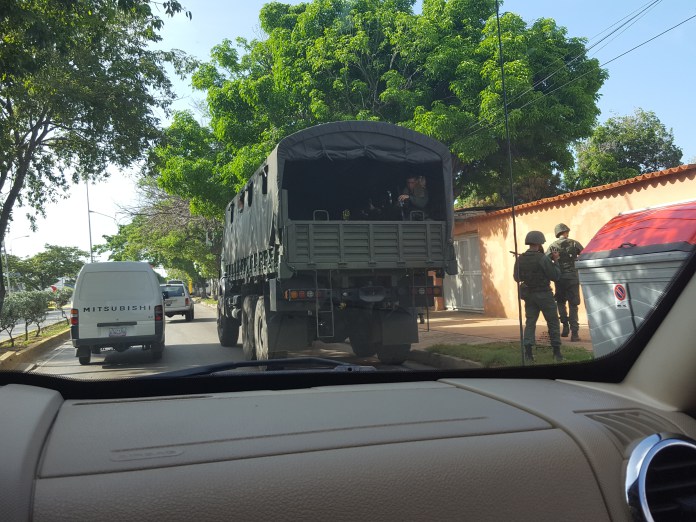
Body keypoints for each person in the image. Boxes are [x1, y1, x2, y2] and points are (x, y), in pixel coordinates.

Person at [513, 230, 563, 363]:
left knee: (530, 322)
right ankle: (557, 353)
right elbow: (555, 276)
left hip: (529, 295)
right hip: (544, 294)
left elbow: (516, 278)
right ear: (539, 243)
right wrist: (556, 261)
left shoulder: (520, 258)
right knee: (553, 322)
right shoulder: (542, 258)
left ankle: (528, 353)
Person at [546, 223, 584, 342]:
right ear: (566, 232)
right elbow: (584, 255)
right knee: (573, 305)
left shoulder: (553, 246)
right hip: (573, 278)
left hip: (560, 279)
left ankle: (565, 326)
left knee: (561, 302)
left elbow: (546, 260)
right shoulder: (574, 243)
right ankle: (575, 334)